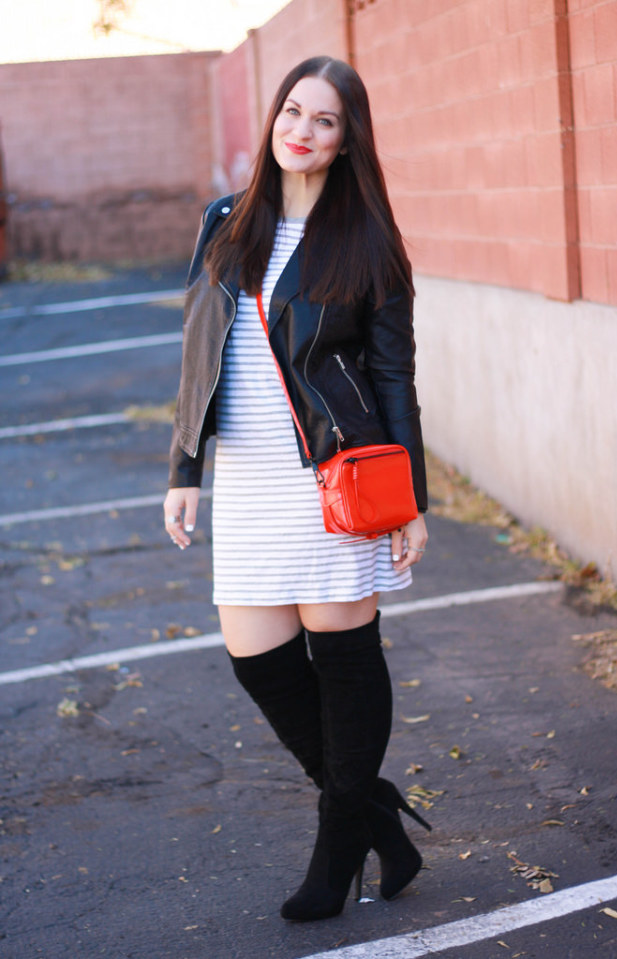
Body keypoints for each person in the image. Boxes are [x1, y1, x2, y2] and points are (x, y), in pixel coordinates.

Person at [163, 55, 429, 922]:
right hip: (246, 480)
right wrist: (184, 468)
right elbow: (199, 355)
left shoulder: (368, 241)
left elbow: (395, 379)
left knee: (344, 660)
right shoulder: (224, 223)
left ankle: (337, 841)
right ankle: (373, 808)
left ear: (347, 139)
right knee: (258, 658)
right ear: (274, 117)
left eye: (324, 119)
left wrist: (410, 499)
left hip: (333, 476)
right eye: (293, 111)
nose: (301, 130)